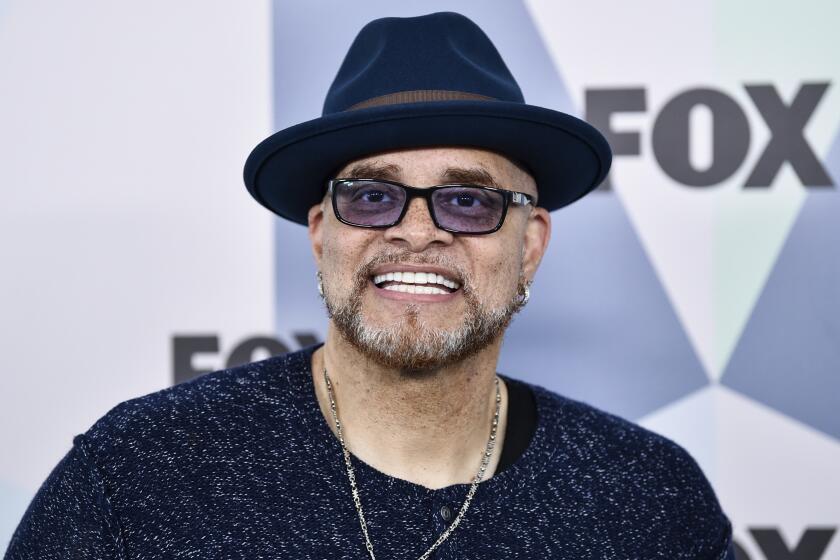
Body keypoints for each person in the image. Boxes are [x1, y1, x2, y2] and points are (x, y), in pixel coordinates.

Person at [5, 12, 736, 559]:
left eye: (469, 200)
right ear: (322, 231)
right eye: (372, 195)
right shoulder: (140, 473)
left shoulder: (646, 496)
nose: (418, 232)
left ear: (532, 245)